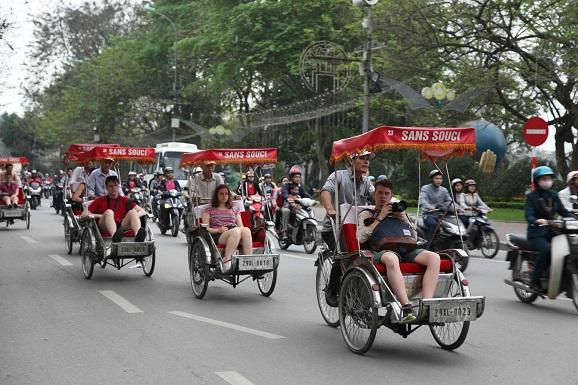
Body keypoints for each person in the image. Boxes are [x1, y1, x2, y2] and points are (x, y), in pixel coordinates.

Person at [358, 179, 440, 321]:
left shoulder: (399, 212)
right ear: (374, 195)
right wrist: (380, 217)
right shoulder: (367, 214)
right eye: (380, 193)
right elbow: (361, 238)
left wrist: (405, 219)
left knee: (434, 258)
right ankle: (406, 307)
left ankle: (426, 306)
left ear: (391, 196)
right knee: (391, 258)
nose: (383, 196)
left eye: (387, 193)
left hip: (406, 248)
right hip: (382, 251)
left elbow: (414, 237)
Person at [320, 151, 374, 306]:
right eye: (362, 158)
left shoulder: (366, 182)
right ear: (351, 161)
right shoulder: (338, 176)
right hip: (335, 228)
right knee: (344, 254)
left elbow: (375, 196)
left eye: (367, 159)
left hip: (358, 229)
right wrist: (330, 209)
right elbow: (325, 192)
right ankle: (331, 290)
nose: (366, 162)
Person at [525, 166, 575, 292]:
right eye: (544, 179)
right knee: (547, 250)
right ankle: (534, 280)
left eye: (549, 178)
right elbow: (528, 214)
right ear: (537, 181)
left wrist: (575, 219)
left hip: (553, 232)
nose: (547, 181)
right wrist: (536, 220)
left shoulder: (553, 195)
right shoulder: (531, 196)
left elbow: (564, 212)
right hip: (537, 234)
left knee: (570, 247)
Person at [201, 184, 252, 272]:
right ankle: (226, 261)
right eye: (221, 194)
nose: (224, 196)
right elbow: (205, 228)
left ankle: (247, 261)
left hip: (235, 232)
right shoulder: (208, 209)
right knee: (236, 231)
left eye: (226, 194)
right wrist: (218, 230)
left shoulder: (234, 208)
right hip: (218, 234)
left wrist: (241, 230)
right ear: (216, 195)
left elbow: (241, 226)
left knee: (246, 230)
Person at [83, 175, 147, 242]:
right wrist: (97, 215)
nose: (114, 188)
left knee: (133, 212)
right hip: (104, 224)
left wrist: (135, 216)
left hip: (121, 225)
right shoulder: (100, 200)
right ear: (107, 188)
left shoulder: (125, 200)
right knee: (109, 212)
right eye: (111, 186)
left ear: (118, 186)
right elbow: (83, 215)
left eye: (115, 185)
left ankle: (138, 236)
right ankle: (115, 237)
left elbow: (142, 211)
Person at [420, 170, 453, 240]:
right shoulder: (425, 188)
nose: (439, 181)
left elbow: (449, 201)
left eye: (440, 178)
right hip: (428, 214)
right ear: (432, 179)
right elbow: (423, 200)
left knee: (451, 226)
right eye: (436, 178)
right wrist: (430, 207)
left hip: (441, 215)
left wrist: (457, 208)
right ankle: (428, 244)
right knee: (434, 225)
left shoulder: (444, 190)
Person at [279, 166, 311, 237]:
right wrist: (287, 197)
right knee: (286, 211)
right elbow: (285, 193)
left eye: (299, 177)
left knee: (308, 210)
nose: (298, 178)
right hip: (287, 205)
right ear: (291, 178)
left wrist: (312, 200)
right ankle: (284, 230)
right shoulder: (287, 186)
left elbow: (305, 195)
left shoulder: (300, 187)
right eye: (296, 177)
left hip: (297, 207)